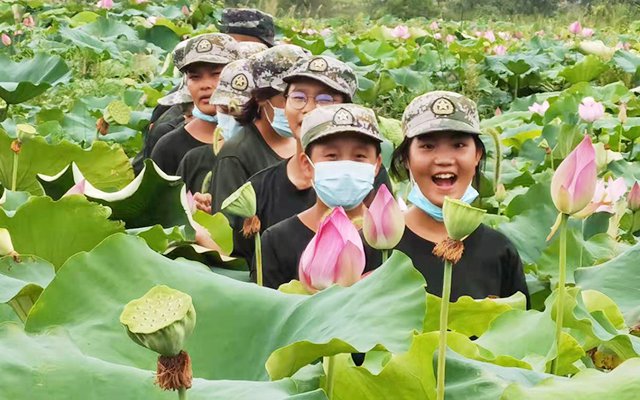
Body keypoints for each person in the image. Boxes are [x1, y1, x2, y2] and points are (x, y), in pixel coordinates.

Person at [368, 91, 530, 304]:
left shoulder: (499, 250)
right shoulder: (374, 246)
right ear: (406, 159)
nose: (444, 160)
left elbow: (520, 331)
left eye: (458, 145)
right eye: (427, 146)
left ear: (477, 155)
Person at [233, 55, 391, 262]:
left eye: (325, 99)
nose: (309, 109)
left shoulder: (372, 180)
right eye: (298, 97)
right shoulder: (258, 188)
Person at [259, 103, 383, 288]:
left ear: (376, 165)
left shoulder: (390, 240)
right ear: (307, 165)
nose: (346, 167)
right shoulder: (276, 240)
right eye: (332, 156)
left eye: (359, 156)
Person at [208, 44, 309, 214]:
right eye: (286, 97)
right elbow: (229, 229)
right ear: (261, 98)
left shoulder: (310, 144)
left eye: (301, 97)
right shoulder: (236, 155)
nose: (300, 107)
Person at [151, 33, 237, 175]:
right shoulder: (169, 147)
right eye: (195, 77)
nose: (205, 85)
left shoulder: (259, 139)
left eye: (216, 74)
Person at [177, 58, 256, 194]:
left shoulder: (279, 161)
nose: (234, 117)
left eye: (241, 110)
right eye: (224, 109)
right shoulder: (194, 160)